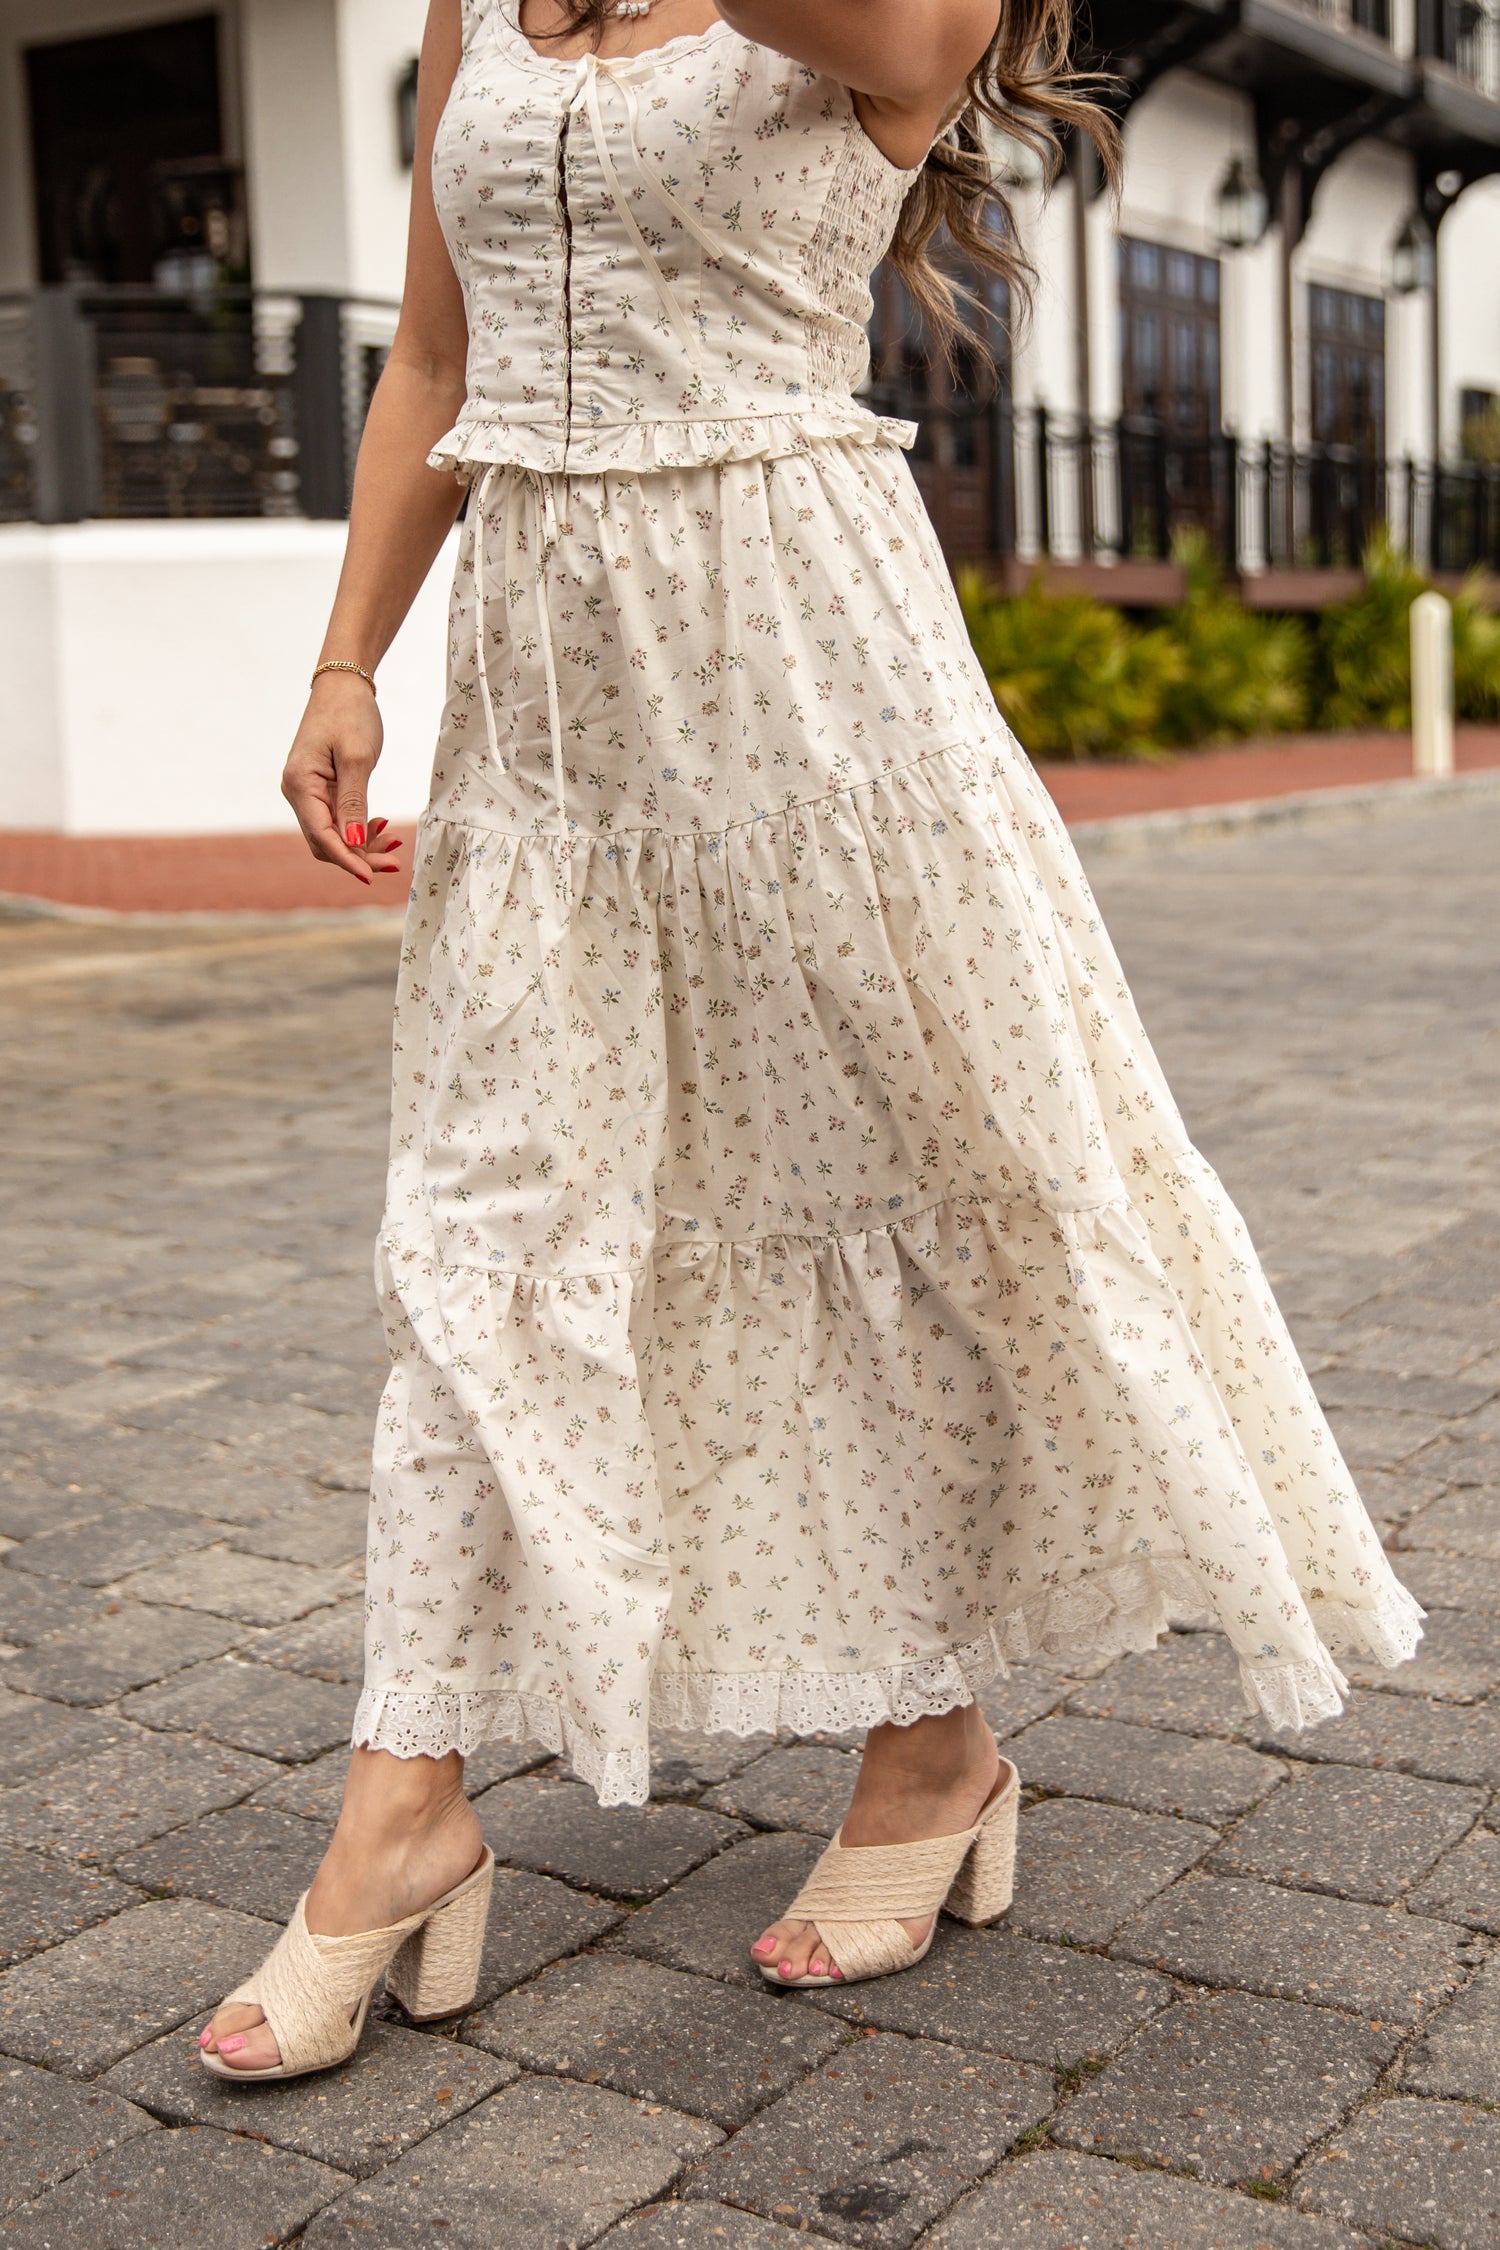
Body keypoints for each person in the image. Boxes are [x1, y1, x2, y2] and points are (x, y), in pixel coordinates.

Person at [200, 0, 1421, 2078]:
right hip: (548, 703)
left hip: (804, 685)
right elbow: (437, 355)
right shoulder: (472, 8)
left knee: (872, 1204)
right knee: (490, 1226)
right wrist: (345, 662)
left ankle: (930, 1750)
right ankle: (401, 1801)